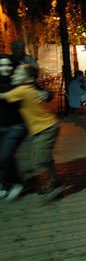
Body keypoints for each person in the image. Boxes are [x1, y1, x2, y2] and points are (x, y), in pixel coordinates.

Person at [0, 64, 63, 199]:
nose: (14, 75)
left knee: (40, 159)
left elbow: (3, 96)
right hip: (46, 126)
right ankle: (53, 181)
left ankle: (55, 184)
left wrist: (47, 93)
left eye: (18, 73)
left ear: (28, 79)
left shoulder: (21, 90)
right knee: (43, 158)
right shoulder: (27, 88)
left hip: (46, 128)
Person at [0, 54, 27, 201]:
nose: (5, 68)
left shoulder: (18, 80)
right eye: (2, 65)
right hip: (1, 125)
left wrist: (45, 94)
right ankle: (5, 184)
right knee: (5, 156)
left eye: (8, 65)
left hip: (17, 125)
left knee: (5, 155)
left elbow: (35, 89)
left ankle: (16, 183)